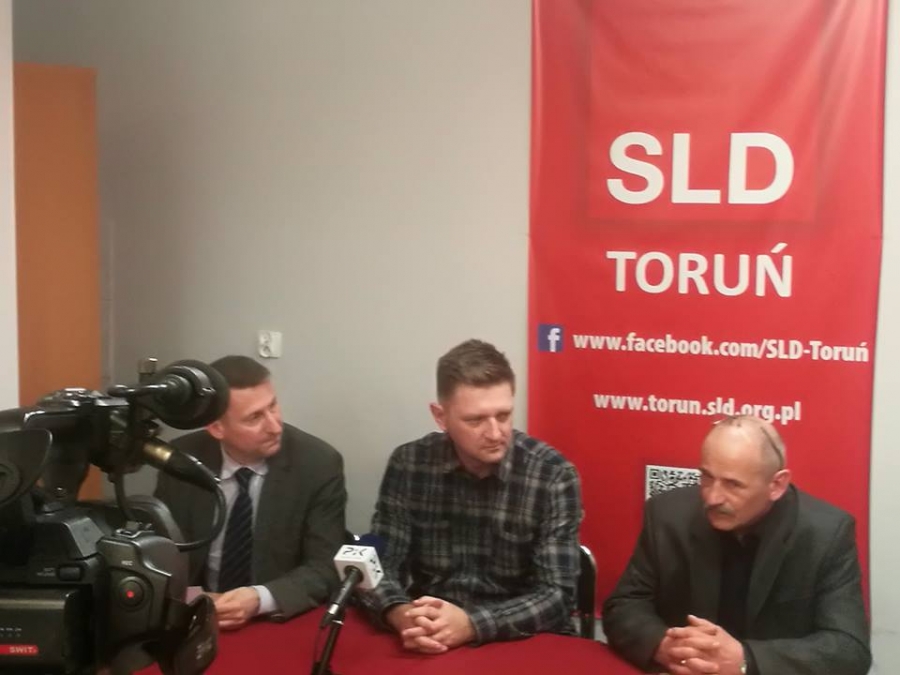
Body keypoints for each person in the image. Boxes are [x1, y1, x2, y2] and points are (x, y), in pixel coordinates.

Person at [359, 339, 583, 654]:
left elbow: (557, 596)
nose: (495, 433)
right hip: (430, 632)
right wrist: (401, 614)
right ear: (440, 416)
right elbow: (379, 564)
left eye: (503, 415)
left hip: (519, 639)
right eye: (475, 420)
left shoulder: (552, 475)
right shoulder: (409, 464)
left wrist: (471, 624)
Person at [602, 415, 871, 675]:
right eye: (707, 477)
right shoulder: (668, 515)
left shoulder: (826, 534)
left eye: (733, 485)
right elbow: (623, 606)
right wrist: (665, 647)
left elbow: (848, 650)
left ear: (776, 485)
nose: (713, 497)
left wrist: (746, 661)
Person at [155, 355, 347, 630]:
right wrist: (194, 598)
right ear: (216, 427)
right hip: (195, 616)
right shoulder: (182, 460)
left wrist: (259, 598)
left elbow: (326, 567)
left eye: (273, 406)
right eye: (255, 417)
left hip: (273, 621)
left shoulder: (318, 464)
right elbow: (161, 552)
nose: (275, 426)